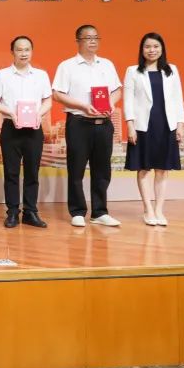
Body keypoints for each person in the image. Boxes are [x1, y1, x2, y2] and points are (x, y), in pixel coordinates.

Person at [52, 24, 122, 227]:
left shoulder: (106, 64)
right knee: (76, 169)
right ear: (78, 41)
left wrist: (111, 103)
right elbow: (57, 94)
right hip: (79, 123)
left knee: (102, 169)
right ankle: (77, 211)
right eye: (88, 37)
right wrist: (83, 105)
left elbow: (117, 90)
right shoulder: (67, 66)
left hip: (104, 124)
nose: (93, 41)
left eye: (96, 37)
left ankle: (99, 212)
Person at [0, 36, 53, 229]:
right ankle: (12, 212)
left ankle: (30, 212)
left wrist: (38, 114)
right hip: (11, 128)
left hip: (34, 129)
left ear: (31, 51)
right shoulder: (1, 75)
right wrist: (10, 113)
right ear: (13, 52)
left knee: (32, 172)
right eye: (19, 50)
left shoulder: (41, 75)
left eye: (27, 50)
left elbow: (48, 100)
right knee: (11, 172)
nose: (23, 53)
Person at [124, 32, 184, 227]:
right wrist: (130, 126)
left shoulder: (171, 70)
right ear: (142, 49)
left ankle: (159, 209)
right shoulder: (133, 71)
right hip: (143, 126)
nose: (152, 50)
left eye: (156, 46)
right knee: (144, 169)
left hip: (167, 125)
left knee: (162, 169)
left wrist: (180, 125)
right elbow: (128, 101)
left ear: (162, 49)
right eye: (148, 46)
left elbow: (177, 98)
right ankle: (148, 209)